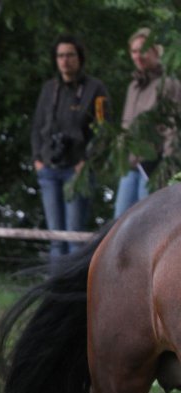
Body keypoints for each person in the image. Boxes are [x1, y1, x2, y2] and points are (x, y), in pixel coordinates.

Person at [30, 35, 110, 258]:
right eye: (60, 56)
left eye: (70, 55)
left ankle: (74, 291)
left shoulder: (95, 88)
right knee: (55, 238)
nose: (65, 60)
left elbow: (104, 131)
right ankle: (55, 291)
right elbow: (37, 126)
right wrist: (37, 158)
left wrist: (87, 161)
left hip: (78, 171)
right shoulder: (49, 89)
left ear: (80, 58)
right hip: (48, 168)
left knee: (75, 237)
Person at [113, 27, 181, 218]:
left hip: (153, 167)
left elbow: (173, 129)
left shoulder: (169, 84)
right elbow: (126, 125)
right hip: (130, 165)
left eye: (143, 50)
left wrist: (166, 167)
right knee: (119, 223)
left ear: (155, 51)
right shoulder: (133, 86)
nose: (138, 56)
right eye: (134, 51)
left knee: (148, 223)